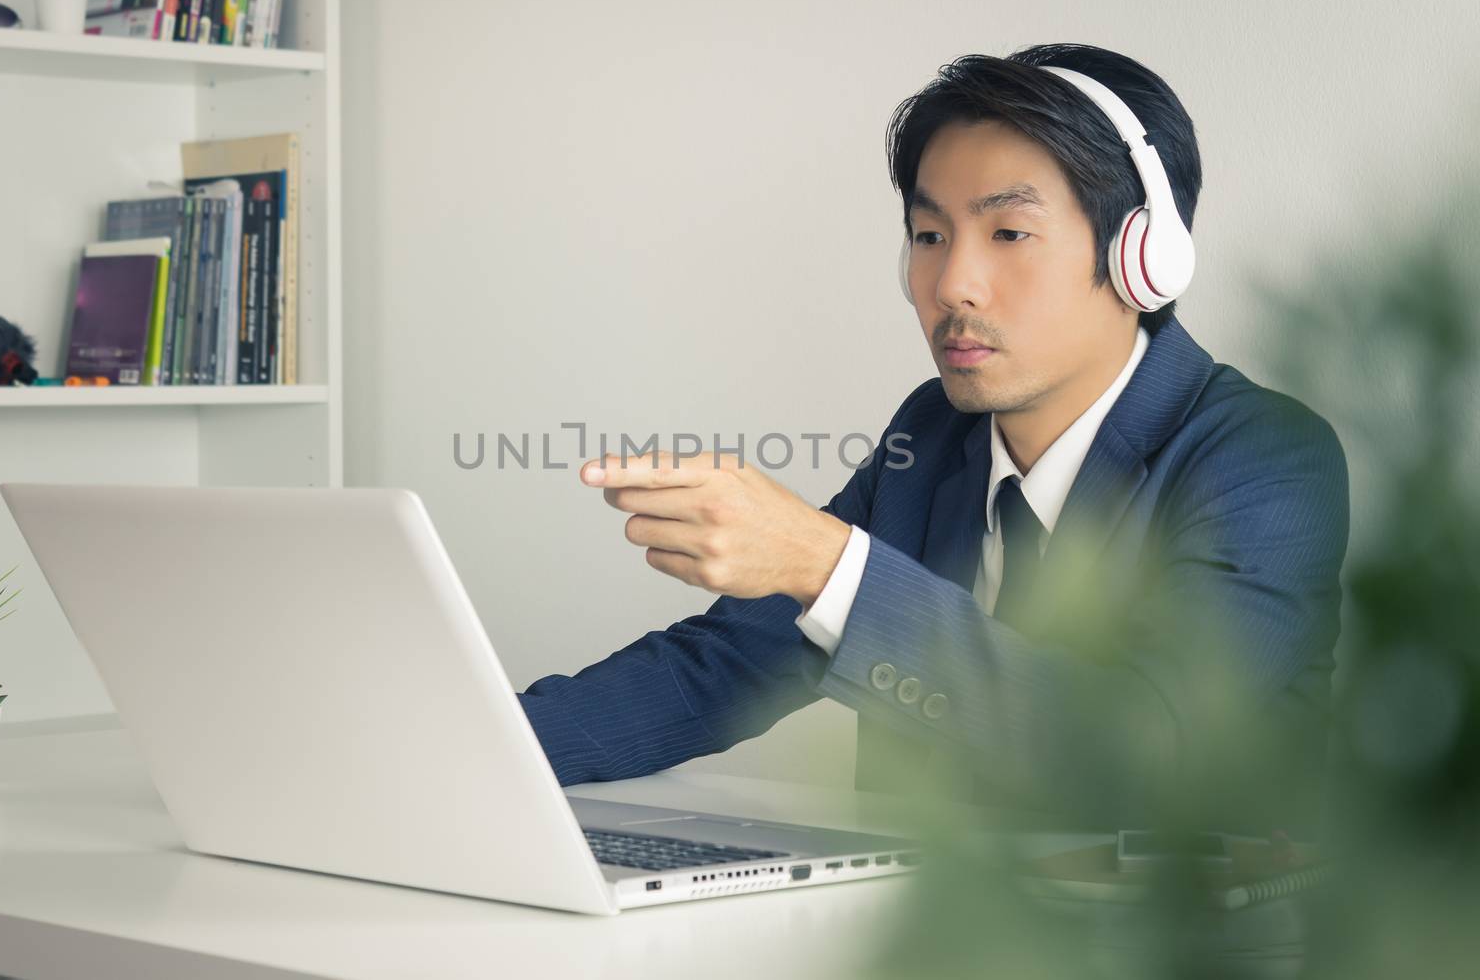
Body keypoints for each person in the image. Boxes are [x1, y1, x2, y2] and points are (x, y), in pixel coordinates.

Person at [517, 43, 1350, 832]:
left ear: (1144, 258)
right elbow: (719, 668)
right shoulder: (934, 434)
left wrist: (827, 564)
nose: (952, 284)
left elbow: (1140, 754)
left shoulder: (1266, 458)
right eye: (928, 235)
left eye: (1008, 233)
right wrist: (455, 750)